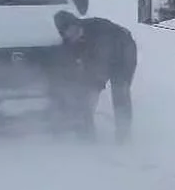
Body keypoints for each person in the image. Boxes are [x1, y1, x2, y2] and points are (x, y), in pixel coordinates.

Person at [52, 10, 138, 143]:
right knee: (86, 92)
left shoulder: (98, 33)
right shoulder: (69, 44)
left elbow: (99, 69)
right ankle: (87, 133)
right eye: (67, 34)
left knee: (120, 90)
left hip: (124, 50)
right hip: (101, 57)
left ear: (77, 24)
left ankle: (123, 135)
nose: (72, 35)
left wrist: (93, 87)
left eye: (73, 30)